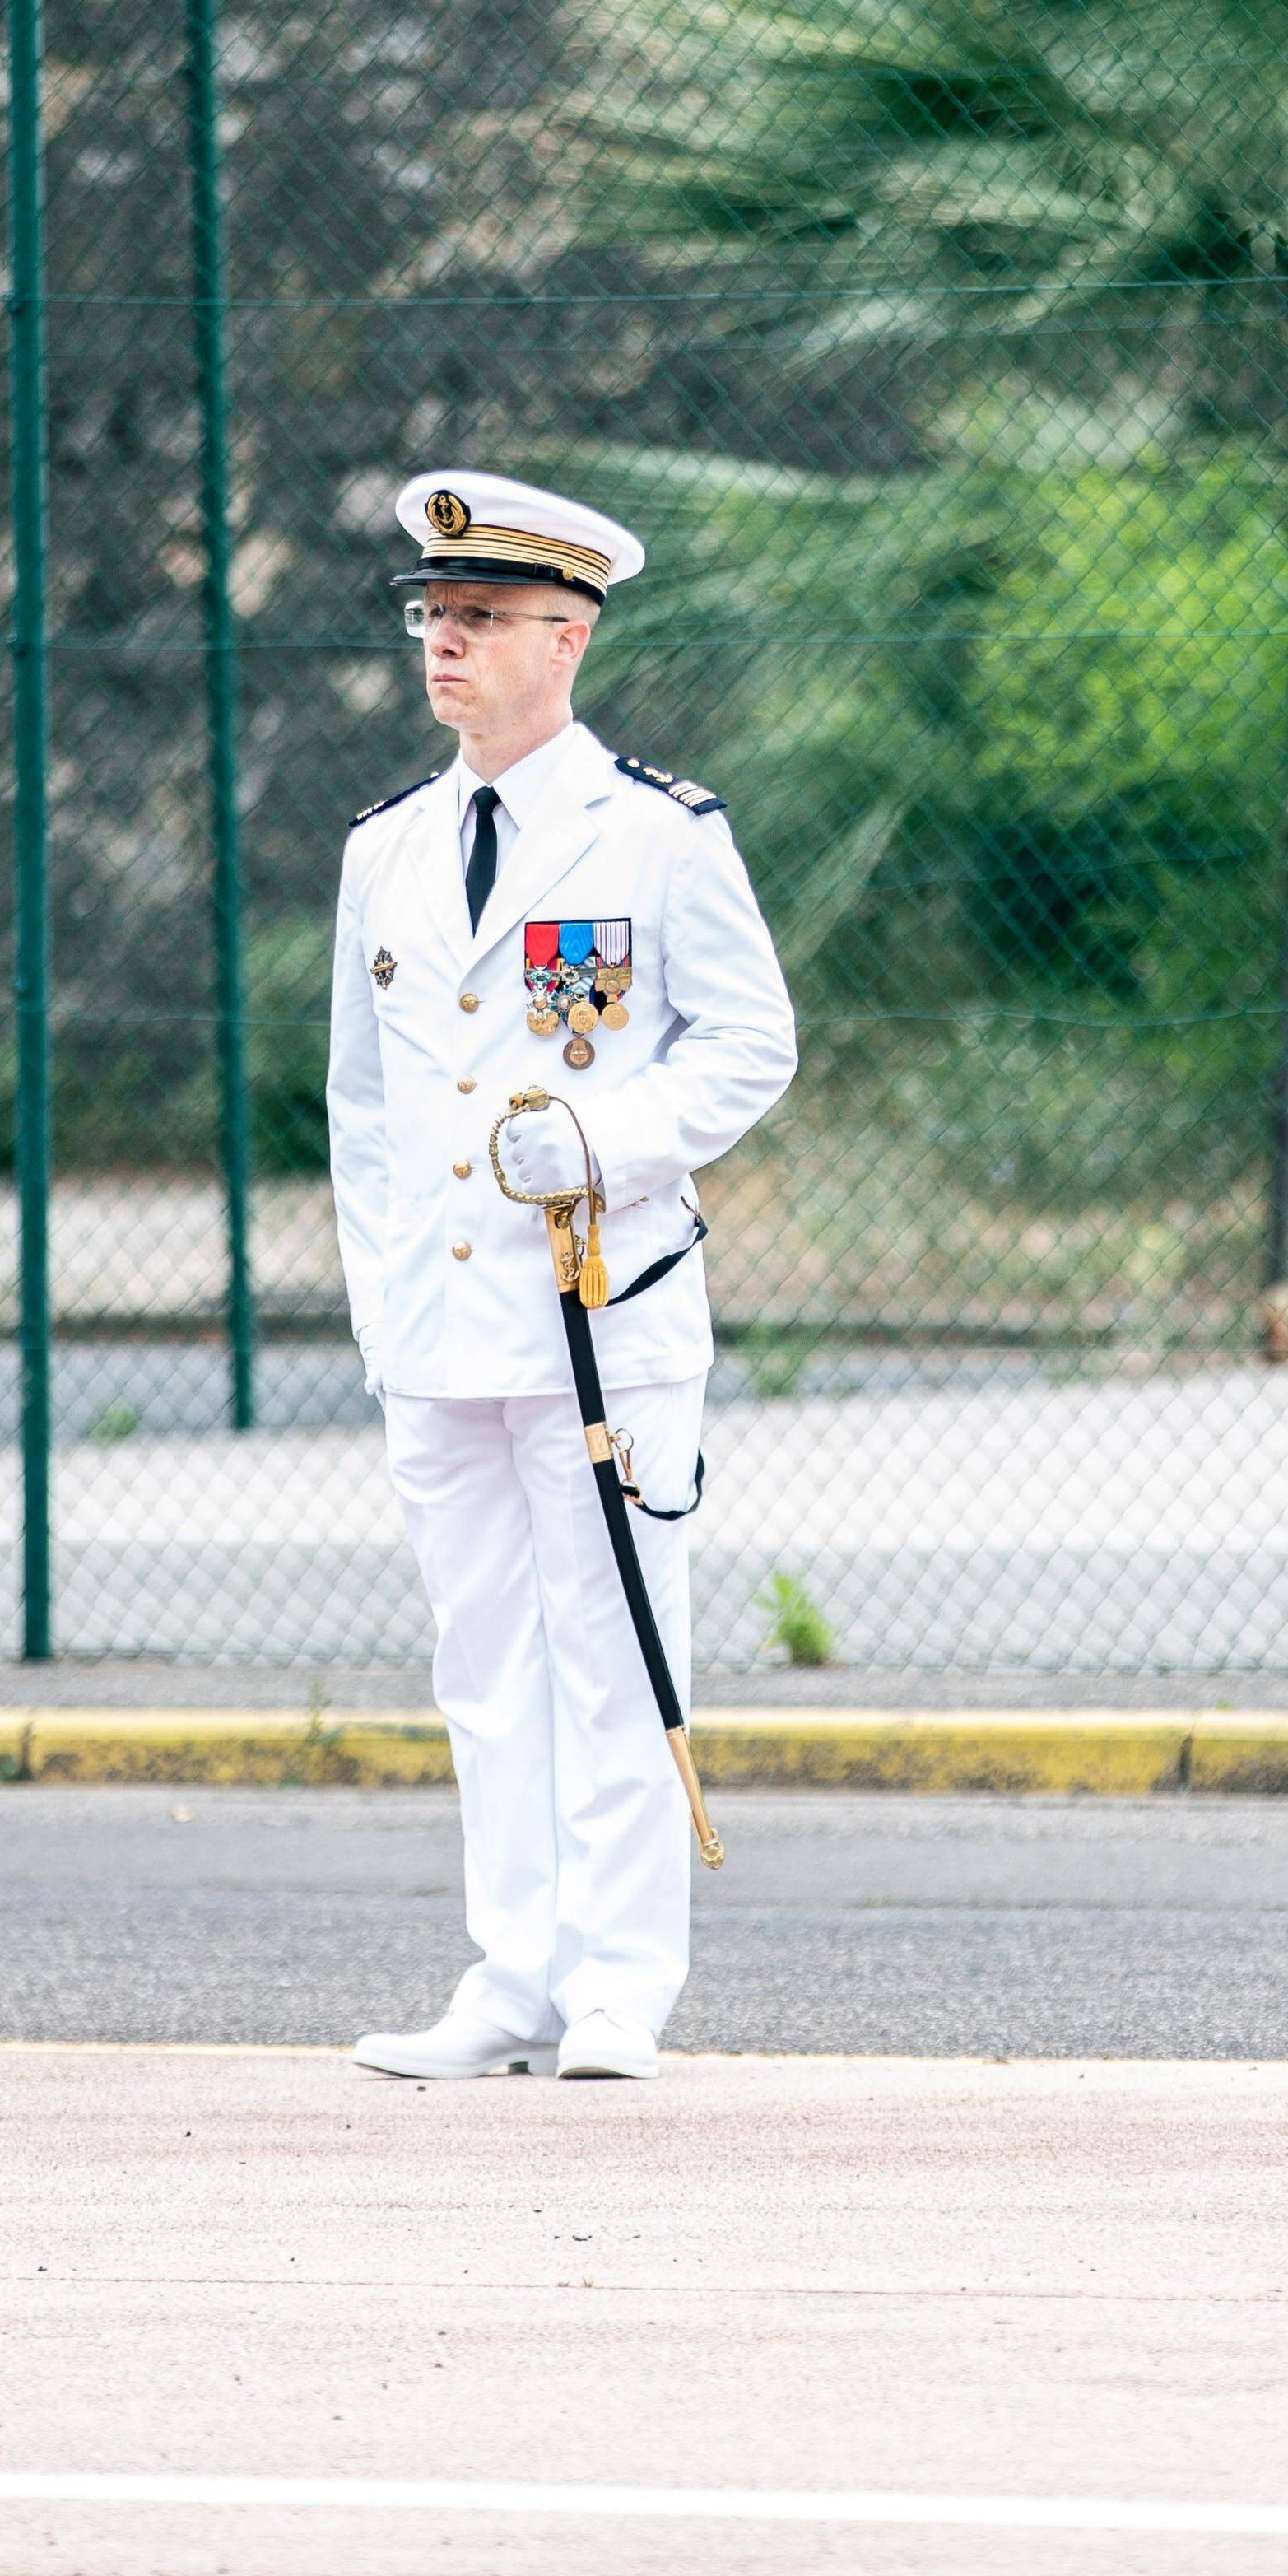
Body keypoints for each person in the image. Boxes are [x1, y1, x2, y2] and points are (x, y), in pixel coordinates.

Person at [330, 469, 797, 2081]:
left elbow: (751, 1044)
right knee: (484, 1664)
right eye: (430, 617)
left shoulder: (656, 834)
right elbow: (363, 1105)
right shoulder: (386, 848)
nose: (441, 645)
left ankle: (615, 1989)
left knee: (609, 1656)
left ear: (567, 634)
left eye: (476, 620)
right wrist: (379, 1305)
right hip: (441, 1322)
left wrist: (602, 1134)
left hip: (601, 1316)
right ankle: (509, 1976)